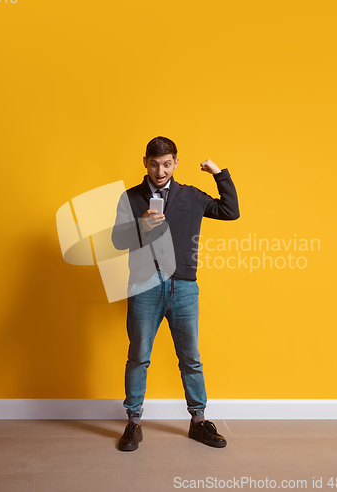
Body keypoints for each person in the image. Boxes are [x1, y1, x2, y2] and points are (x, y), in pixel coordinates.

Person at [111, 136, 239, 451]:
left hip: (183, 285)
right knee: (139, 356)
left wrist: (218, 173)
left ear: (176, 163)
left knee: (191, 358)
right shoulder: (130, 198)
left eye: (166, 163)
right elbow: (116, 241)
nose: (160, 170)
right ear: (145, 162)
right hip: (144, 285)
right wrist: (141, 225)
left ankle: (198, 422)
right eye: (154, 163)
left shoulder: (191, 196)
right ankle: (134, 422)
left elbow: (230, 211)